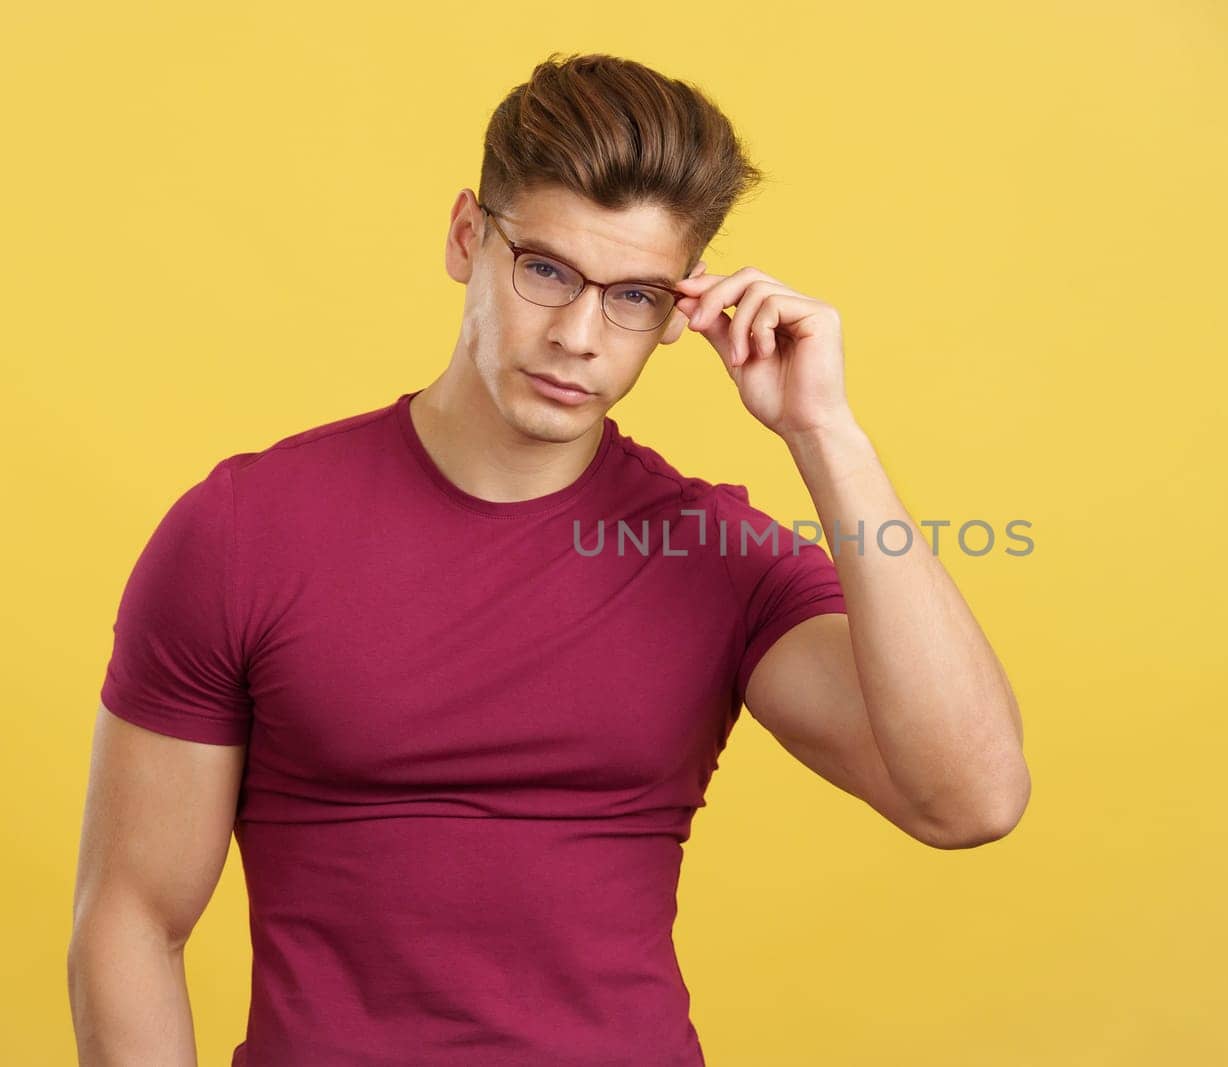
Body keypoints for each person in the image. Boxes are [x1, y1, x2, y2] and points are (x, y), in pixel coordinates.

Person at [68, 51, 1029, 1067]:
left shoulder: (712, 553)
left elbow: (968, 799)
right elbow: (131, 916)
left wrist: (824, 430)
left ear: (677, 315)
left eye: (634, 297)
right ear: (465, 237)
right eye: (546, 271)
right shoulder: (241, 531)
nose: (578, 335)